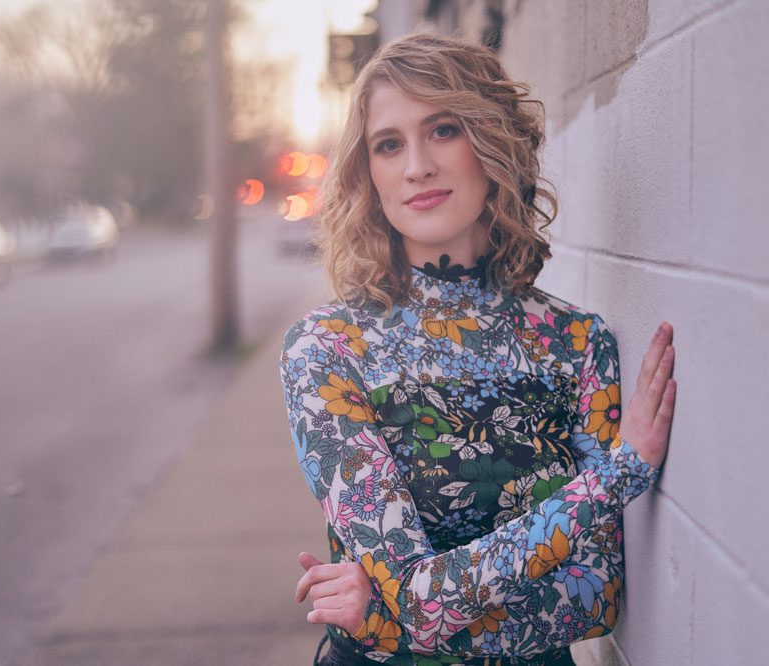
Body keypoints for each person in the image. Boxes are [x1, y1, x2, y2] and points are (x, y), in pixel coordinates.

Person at [279, 31, 676, 666]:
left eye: (443, 130)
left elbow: (593, 601)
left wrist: (384, 626)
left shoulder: (578, 343)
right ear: (368, 173)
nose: (417, 166)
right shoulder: (327, 349)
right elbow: (418, 602)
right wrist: (614, 477)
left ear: (493, 141)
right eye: (389, 144)